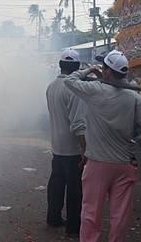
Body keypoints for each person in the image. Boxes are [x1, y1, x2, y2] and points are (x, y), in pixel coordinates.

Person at [64, 50, 141, 242]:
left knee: (91, 213)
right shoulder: (132, 97)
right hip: (123, 164)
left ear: (108, 72)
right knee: (120, 215)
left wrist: (90, 69)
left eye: (104, 68)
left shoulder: (95, 90)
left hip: (98, 165)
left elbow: (69, 80)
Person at [45, 48, 86, 236]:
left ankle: (53, 218)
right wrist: (85, 150)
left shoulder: (51, 86)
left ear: (61, 65)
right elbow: (78, 124)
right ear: (77, 67)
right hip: (72, 148)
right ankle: (73, 228)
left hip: (57, 145)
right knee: (75, 190)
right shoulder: (74, 89)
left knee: (56, 183)